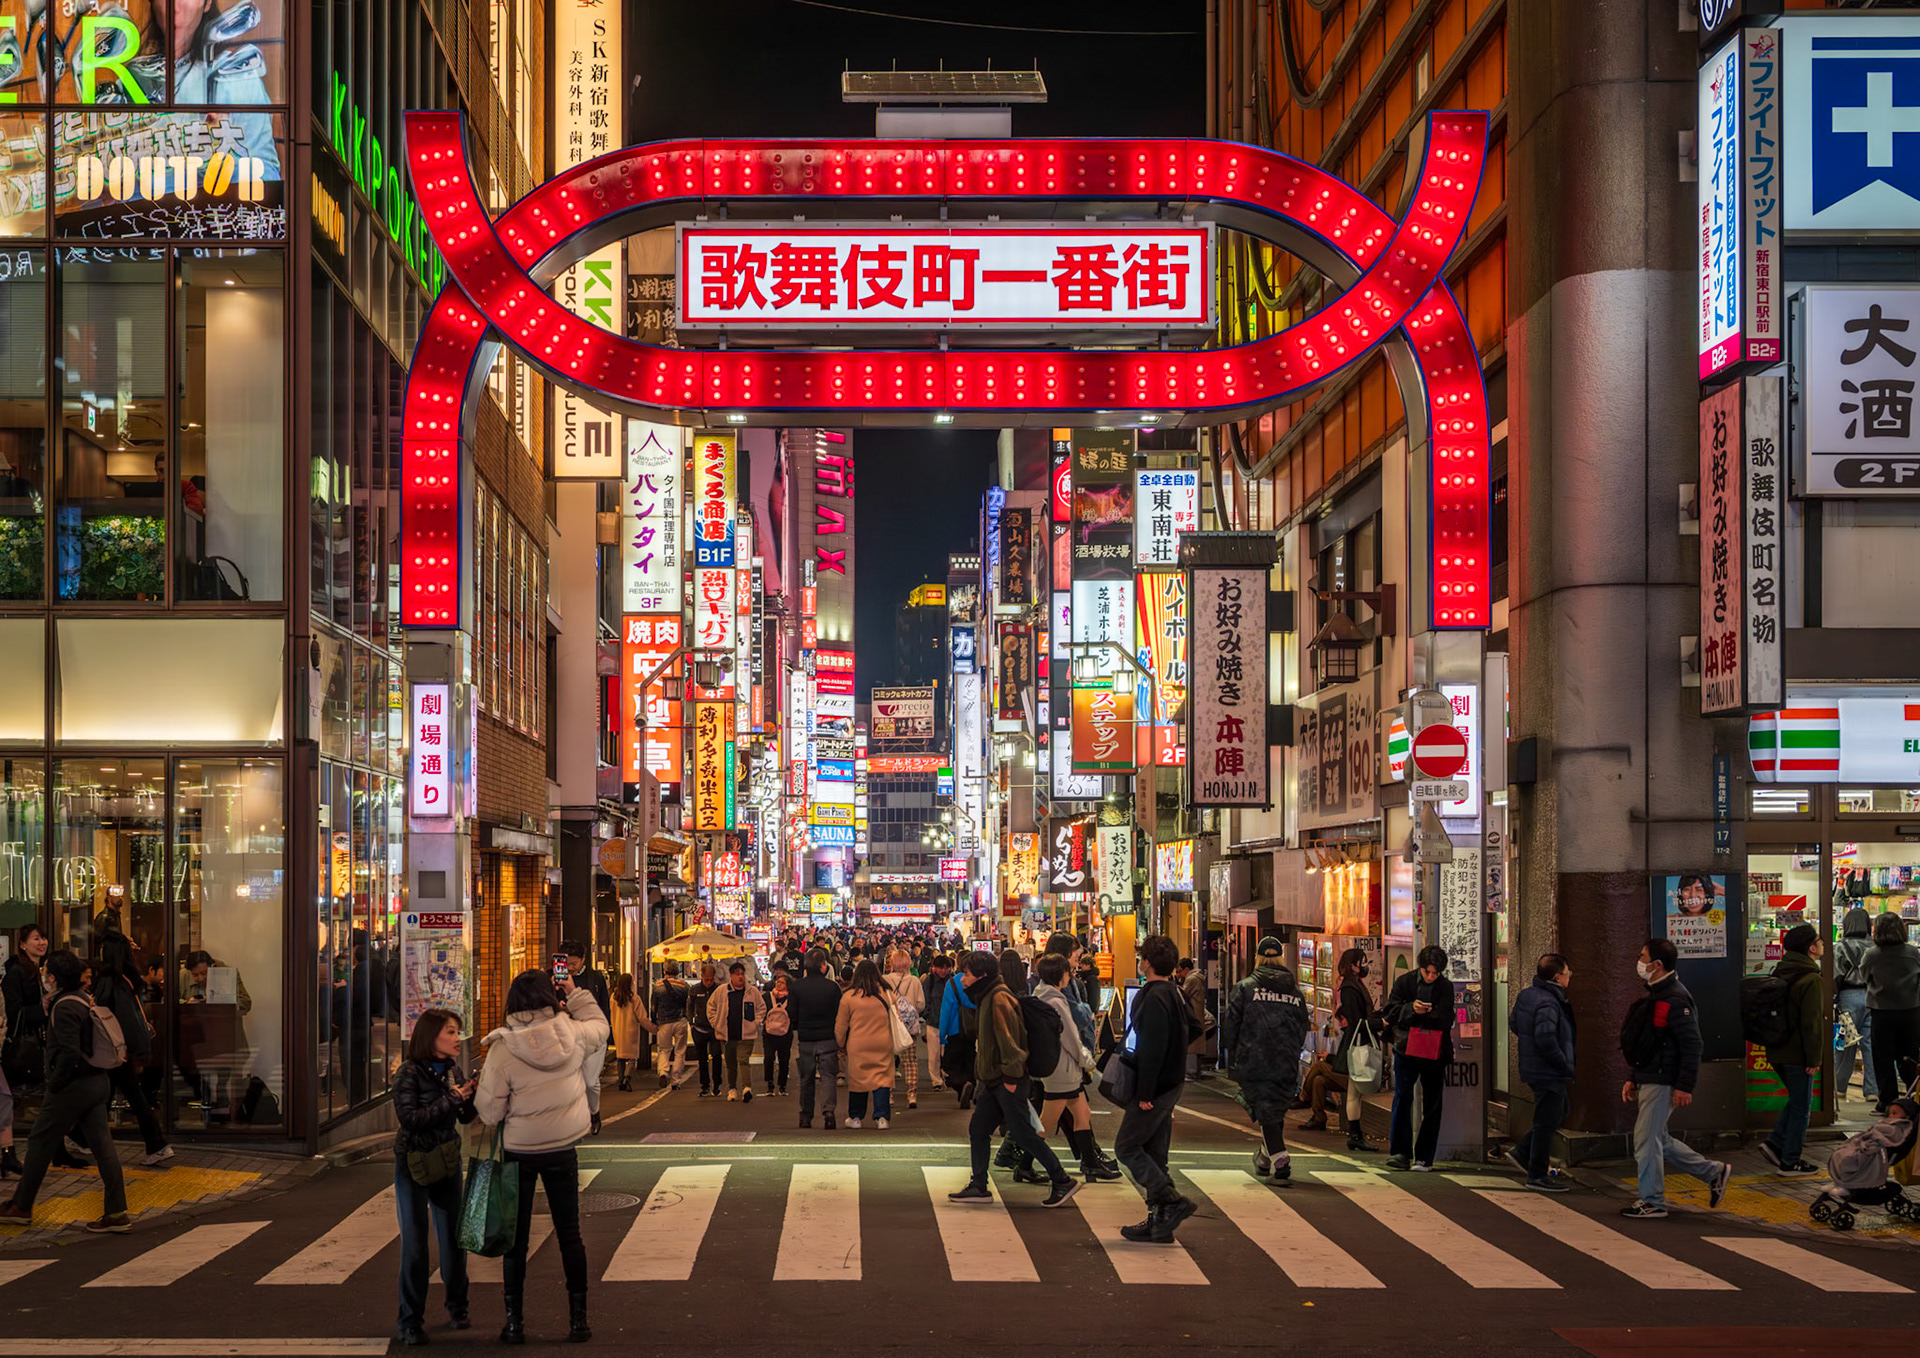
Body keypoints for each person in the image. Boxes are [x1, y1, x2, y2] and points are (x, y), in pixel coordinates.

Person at [473, 968, 608, 1345]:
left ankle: (515, 1322)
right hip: (563, 1146)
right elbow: (600, 1026)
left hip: (520, 1150)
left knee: (516, 1240)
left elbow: (490, 1112)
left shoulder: (502, 1048)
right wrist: (576, 992)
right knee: (570, 1234)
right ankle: (578, 1321)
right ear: (550, 997)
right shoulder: (572, 1032)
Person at [0, 950, 130, 1232]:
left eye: (47, 972)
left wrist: (56, 1084)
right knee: (103, 1148)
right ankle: (117, 1212)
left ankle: (21, 1206)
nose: (45, 977)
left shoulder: (66, 1006)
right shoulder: (83, 999)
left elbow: (69, 1054)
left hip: (73, 1086)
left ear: (54, 978)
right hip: (97, 1082)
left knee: (38, 1142)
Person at [946, 951, 1080, 1208]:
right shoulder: (988, 996)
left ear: (982, 976)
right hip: (995, 1081)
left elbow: (1011, 1043)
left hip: (1006, 1080)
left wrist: (1010, 1077)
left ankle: (1062, 1179)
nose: (963, 979)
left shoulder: (998, 999)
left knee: (1024, 1134)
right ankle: (979, 1184)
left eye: (968, 974)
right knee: (979, 1129)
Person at [1619, 937, 1731, 1221]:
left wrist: (1684, 1085)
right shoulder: (1657, 995)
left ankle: (1653, 1201)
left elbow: (1692, 1045)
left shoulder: (1674, 998)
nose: (1639, 961)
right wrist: (1634, 1078)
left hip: (1662, 1081)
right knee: (1659, 1140)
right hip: (1651, 1077)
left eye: (1642, 956)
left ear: (1657, 965)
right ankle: (1713, 1172)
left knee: (1646, 1141)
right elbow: (1650, 1045)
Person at [391, 1008, 476, 1347]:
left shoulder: (452, 1070)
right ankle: (410, 1321)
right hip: (414, 1162)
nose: (458, 1039)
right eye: (451, 1032)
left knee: (455, 1240)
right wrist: (452, 1098)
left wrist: (472, 1095)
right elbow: (409, 1119)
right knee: (415, 1245)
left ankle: (458, 1307)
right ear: (432, 1037)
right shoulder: (409, 1073)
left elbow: (466, 1118)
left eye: (457, 1032)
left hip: (447, 1159)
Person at [1113, 935, 1191, 1241]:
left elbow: (1152, 1046)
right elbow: (1197, 1026)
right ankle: (1160, 1223)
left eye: (1142, 957)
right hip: (1172, 1082)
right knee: (1155, 1153)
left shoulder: (1153, 995)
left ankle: (1170, 1201)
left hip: (1155, 1086)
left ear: (1146, 962)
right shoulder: (1175, 992)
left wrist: (1145, 1092)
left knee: (1127, 1146)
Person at [1221, 936, 1312, 1183]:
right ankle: (1264, 1157)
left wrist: (1233, 1054)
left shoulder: (1245, 988)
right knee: (1273, 1111)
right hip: (1285, 1061)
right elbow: (1303, 1025)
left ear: (1258, 958)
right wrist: (1291, 1049)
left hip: (1254, 1060)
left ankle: (1281, 1161)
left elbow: (1231, 1026)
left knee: (1266, 1109)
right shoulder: (1295, 992)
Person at [91, 922, 171, 1167]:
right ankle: (84, 1138)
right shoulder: (129, 979)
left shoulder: (110, 981)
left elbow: (108, 1015)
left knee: (109, 1096)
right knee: (113, 1096)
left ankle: (157, 1145)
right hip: (123, 1049)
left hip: (114, 1048)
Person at [1760, 924, 1826, 1176]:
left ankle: (1775, 1143)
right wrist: (1814, 1058)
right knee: (1802, 1106)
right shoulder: (1810, 978)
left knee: (1797, 1101)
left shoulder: (1782, 970)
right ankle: (1790, 1160)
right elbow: (1811, 1024)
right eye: (1819, 941)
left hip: (1777, 1049)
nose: (1822, 945)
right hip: (1798, 1053)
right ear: (1811, 947)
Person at [1507, 953, 1576, 1191]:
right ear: (1557, 977)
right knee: (1546, 1121)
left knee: (1559, 1111)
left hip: (1533, 1067)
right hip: (1548, 1071)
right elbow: (1546, 1038)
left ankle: (1522, 1151)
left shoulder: (1528, 995)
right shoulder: (1549, 1002)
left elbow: (1514, 1022)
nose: (1570, 977)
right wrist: (1563, 1064)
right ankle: (1537, 1174)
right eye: (1568, 973)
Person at [1384, 945, 1456, 1171]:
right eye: (1428, 972)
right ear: (1421, 968)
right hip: (1406, 1048)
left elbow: (1447, 1017)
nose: (1431, 977)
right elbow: (1390, 1011)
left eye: (1436, 973)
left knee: (1433, 1103)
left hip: (1435, 1050)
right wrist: (1411, 1009)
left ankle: (1424, 1156)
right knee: (1402, 1097)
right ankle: (1400, 1153)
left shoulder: (1445, 987)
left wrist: (1430, 1013)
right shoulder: (1405, 982)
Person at [1864, 912, 1920, 1117]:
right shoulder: (1913, 952)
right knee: (1910, 1056)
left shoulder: (1872, 954)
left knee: (1882, 1057)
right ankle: (1914, 1096)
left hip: (1882, 1011)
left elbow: (1865, 976)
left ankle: (1887, 1102)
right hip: (1911, 1011)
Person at [836, 961, 897, 1129]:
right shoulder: (888, 994)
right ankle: (882, 1117)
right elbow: (896, 1018)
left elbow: (841, 1025)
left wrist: (840, 1042)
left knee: (858, 1080)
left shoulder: (849, 997)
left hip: (858, 1044)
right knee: (882, 1079)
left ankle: (856, 1117)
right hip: (883, 1042)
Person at [789, 950, 844, 1129]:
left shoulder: (797, 987)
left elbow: (792, 1014)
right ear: (823, 966)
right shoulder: (833, 987)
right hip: (828, 1037)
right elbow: (839, 1014)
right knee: (828, 1076)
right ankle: (829, 1113)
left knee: (807, 1078)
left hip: (806, 1038)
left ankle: (805, 1116)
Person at [559, 943, 610, 1134]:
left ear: (583, 960)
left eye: (573, 963)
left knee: (590, 1081)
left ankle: (594, 1112)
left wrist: (608, 1033)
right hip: (565, 1034)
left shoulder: (595, 977)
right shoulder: (554, 977)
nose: (570, 967)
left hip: (592, 1034)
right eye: (566, 962)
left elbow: (604, 1005)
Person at [1835, 906, 1879, 1107]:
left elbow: (1835, 976)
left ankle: (1839, 1088)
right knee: (1871, 1046)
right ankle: (1872, 1091)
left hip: (1847, 997)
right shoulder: (1876, 948)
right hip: (1873, 997)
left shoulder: (1840, 947)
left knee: (1844, 1045)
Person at [706, 962, 762, 1102]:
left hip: (747, 1033)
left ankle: (746, 1088)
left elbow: (762, 1008)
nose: (740, 977)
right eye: (737, 974)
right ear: (731, 976)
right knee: (730, 1062)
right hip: (727, 1033)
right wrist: (715, 1023)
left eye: (742, 974)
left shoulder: (752, 991)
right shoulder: (721, 991)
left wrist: (756, 1022)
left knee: (743, 1060)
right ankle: (732, 1088)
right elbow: (711, 1007)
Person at [884, 949, 926, 1109]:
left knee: (887, 1061)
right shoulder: (915, 981)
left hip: (890, 1026)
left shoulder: (885, 980)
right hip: (908, 1028)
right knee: (910, 1062)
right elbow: (921, 1005)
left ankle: (889, 1094)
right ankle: (912, 1094)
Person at [608, 973, 653, 1094]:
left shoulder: (614, 997)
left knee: (620, 1057)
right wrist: (653, 1029)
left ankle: (621, 1079)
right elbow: (642, 1017)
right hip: (631, 1030)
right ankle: (627, 1078)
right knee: (632, 1057)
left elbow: (611, 1013)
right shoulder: (634, 998)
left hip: (618, 1029)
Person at [650, 963, 691, 1089]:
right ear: (678, 971)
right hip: (680, 1020)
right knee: (680, 1052)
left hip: (664, 1022)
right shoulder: (684, 985)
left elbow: (653, 1006)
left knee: (664, 1049)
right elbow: (688, 1004)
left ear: (665, 971)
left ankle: (663, 1072)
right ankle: (676, 1081)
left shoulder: (658, 986)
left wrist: (654, 1020)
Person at [687, 962, 723, 1098]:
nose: (709, 982)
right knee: (702, 1059)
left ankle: (717, 1085)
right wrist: (691, 1022)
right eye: (706, 979)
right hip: (699, 1027)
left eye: (711, 979)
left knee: (717, 1056)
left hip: (715, 1028)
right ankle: (705, 1085)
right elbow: (689, 1006)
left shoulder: (719, 990)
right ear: (701, 976)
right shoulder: (695, 989)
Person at [1176, 957, 1212, 1080]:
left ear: (1186, 969)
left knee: (1192, 1045)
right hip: (1197, 1015)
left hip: (1192, 1015)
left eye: (1179, 971)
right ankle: (1194, 1072)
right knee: (1195, 1044)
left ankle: (1191, 1072)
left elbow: (1182, 995)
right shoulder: (1197, 978)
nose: (1178, 974)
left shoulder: (1191, 979)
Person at [921, 954, 954, 1090]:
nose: (943, 971)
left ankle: (946, 1075)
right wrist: (928, 1014)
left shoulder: (952, 981)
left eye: (946, 968)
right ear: (935, 968)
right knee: (933, 1054)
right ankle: (936, 1081)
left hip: (949, 1024)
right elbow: (924, 999)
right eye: (941, 968)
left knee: (947, 1053)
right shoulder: (930, 981)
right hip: (933, 1022)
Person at [761, 973, 793, 1096]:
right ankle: (769, 1083)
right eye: (777, 982)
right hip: (769, 1033)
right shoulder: (767, 997)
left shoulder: (791, 998)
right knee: (769, 1057)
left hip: (785, 1033)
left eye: (782, 982)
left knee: (784, 1059)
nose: (778, 984)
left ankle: (782, 1085)